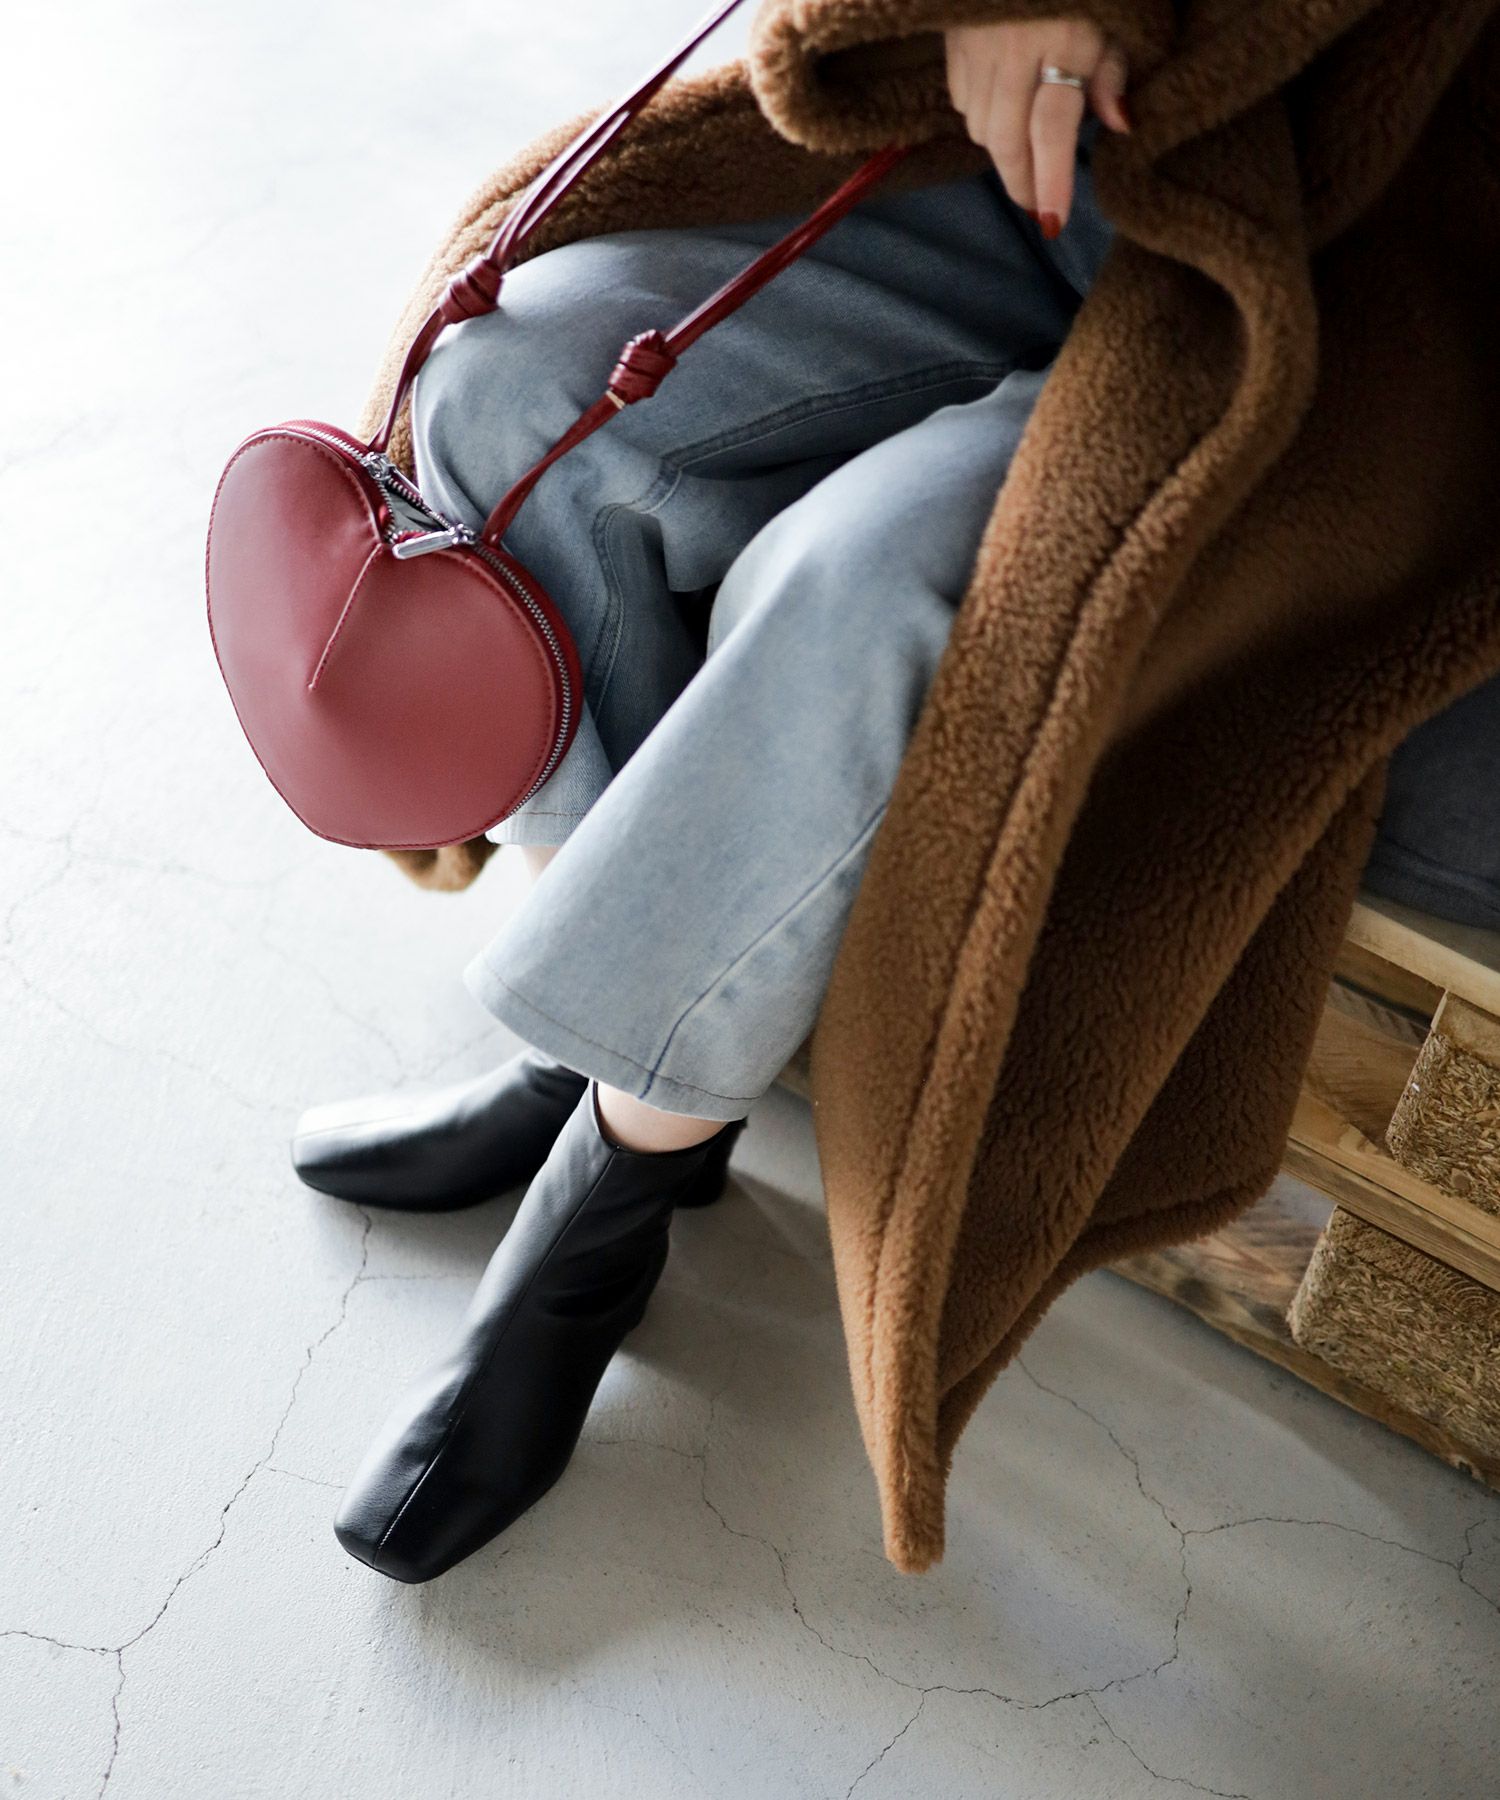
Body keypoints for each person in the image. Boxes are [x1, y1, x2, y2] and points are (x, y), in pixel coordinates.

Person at [285, 19, 1128, 1583]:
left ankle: (591, 1237)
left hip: (1283, 281)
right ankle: (585, 1062)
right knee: (516, 379)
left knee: (856, 581)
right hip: (1019, 167)